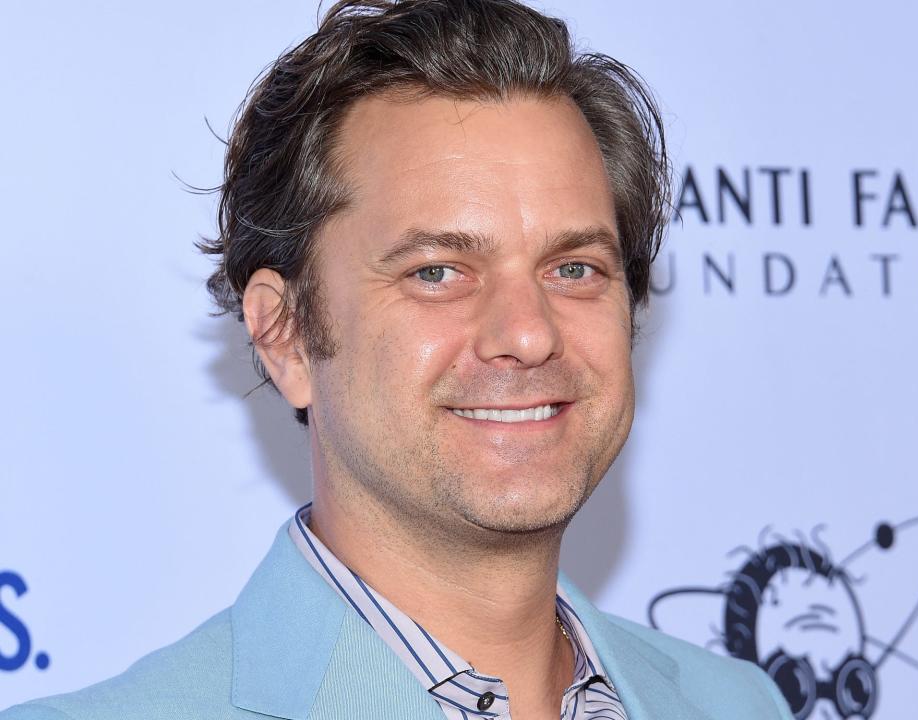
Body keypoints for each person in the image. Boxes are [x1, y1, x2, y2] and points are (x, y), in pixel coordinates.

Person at [2, 1, 792, 718]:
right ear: (286, 335)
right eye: (437, 272)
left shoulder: (739, 704)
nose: (528, 334)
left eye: (574, 268)